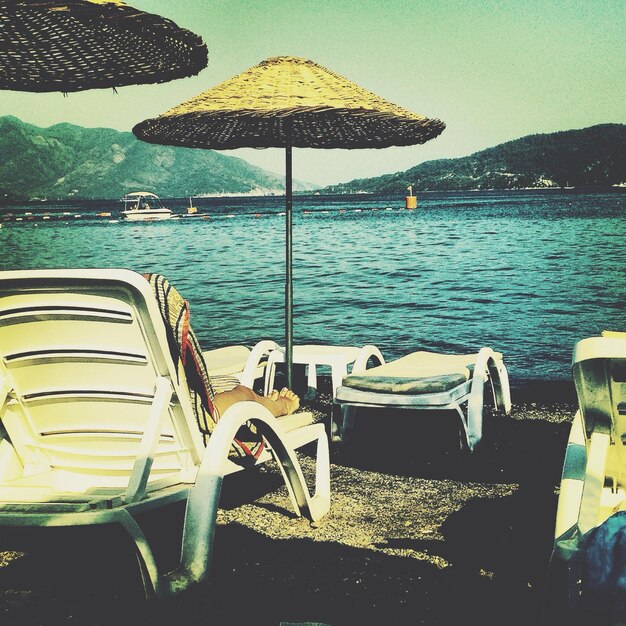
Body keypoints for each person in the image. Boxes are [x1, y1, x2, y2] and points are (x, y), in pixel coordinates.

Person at [144, 273, 300, 459]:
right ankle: (282, 407)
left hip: (126, 430)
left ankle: (265, 403)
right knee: (243, 393)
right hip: (182, 432)